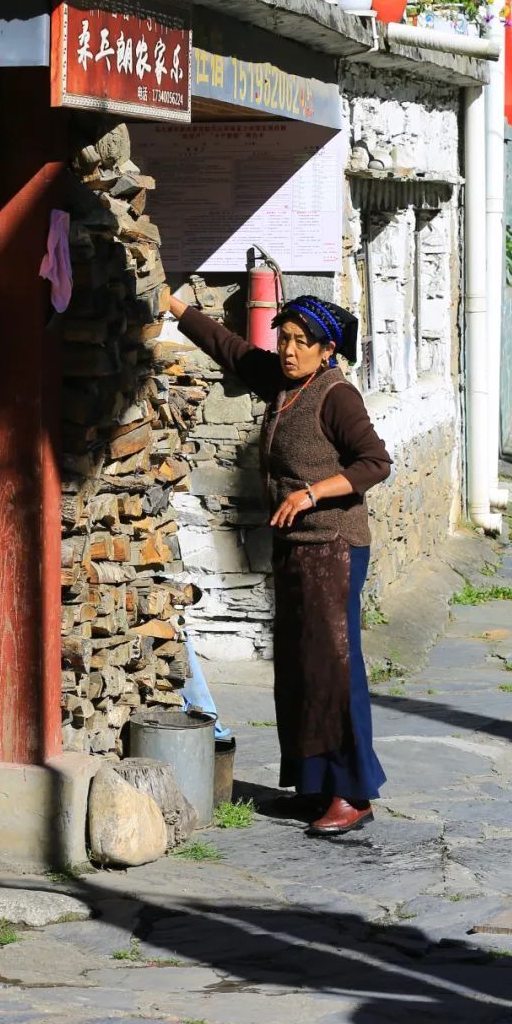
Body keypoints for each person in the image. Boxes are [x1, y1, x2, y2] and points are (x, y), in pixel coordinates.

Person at [163, 287, 391, 837]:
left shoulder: (336, 396)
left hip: (333, 547)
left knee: (333, 670)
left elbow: (375, 462)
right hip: (294, 551)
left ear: (325, 348)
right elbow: (231, 349)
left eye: (299, 342)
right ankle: (313, 786)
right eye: (283, 339)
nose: (287, 350)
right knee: (296, 668)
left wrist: (312, 493)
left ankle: (350, 792)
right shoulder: (286, 384)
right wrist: (173, 306)